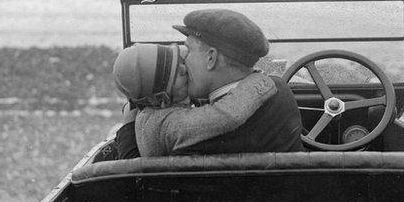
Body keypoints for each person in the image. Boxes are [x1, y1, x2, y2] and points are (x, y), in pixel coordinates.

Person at [168, 8, 304, 154]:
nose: (182, 60)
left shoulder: (197, 135)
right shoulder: (280, 89)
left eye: (188, 51)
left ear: (211, 58)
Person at [110, 42, 282, 157]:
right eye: (176, 74)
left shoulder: (152, 113)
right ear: (160, 97)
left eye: (180, 63)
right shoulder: (169, 125)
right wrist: (262, 79)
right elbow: (227, 115)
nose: (185, 70)